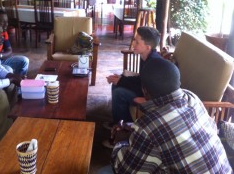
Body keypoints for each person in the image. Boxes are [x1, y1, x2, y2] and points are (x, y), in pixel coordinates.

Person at [98, 58, 233, 174]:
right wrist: (134, 132)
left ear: (144, 91)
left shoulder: (148, 126)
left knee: (102, 172)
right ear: (178, 83)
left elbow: (124, 170)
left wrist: (120, 141)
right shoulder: (192, 99)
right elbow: (206, 128)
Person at [104, 27, 161, 135]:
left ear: (148, 47)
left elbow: (148, 88)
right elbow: (141, 79)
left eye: (137, 42)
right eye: (134, 40)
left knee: (119, 92)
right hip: (145, 90)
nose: (133, 44)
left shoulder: (153, 63)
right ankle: (118, 123)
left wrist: (122, 81)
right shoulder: (145, 57)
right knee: (116, 84)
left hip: (150, 98)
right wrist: (121, 79)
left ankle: (124, 130)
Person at [0, 9, 29, 76]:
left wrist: (0, 55)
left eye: (7, 22)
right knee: (8, 70)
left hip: (1, 59)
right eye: (2, 22)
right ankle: (11, 83)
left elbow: (9, 51)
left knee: (24, 60)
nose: (6, 24)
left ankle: (18, 83)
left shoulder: (4, 33)